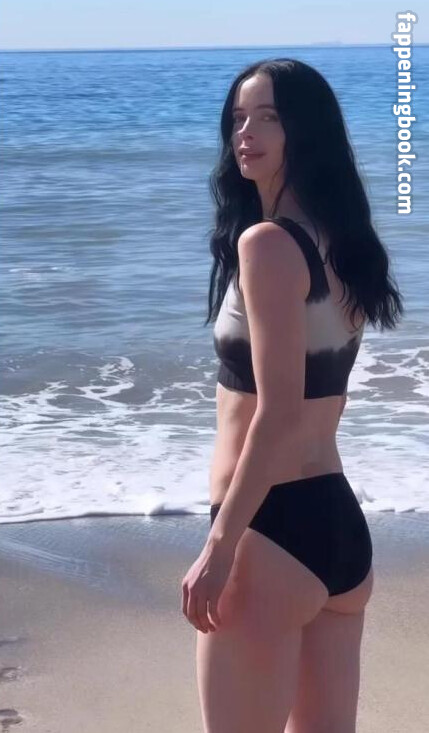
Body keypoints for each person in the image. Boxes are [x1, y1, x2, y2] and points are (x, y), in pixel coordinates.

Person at [181, 58, 403, 733]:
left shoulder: (268, 244)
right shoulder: (345, 243)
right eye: (238, 118)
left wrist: (219, 547)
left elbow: (277, 414)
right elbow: (322, 401)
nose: (245, 133)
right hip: (337, 530)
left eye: (268, 117)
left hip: (268, 533)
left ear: (304, 130)